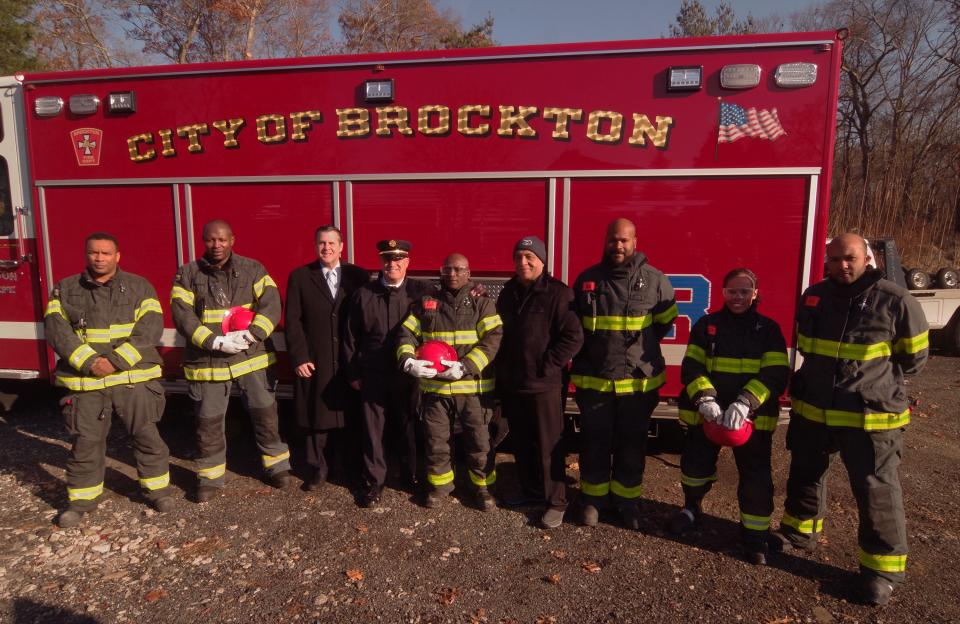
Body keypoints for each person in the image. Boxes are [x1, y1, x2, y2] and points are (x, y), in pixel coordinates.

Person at [775, 233, 929, 606]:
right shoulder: (814, 296)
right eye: (834, 259)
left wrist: (869, 383)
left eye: (850, 258)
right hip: (814, 409)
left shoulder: (895, 299)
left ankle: (882, 571)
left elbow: (914, 359)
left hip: (869, 417)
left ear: (867, 258)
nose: (842, 265)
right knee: (805, 475)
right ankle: (800, 533)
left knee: (876, 491)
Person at [44, 232, 173, 527]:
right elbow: (56, 331)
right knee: (86, 443)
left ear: (118, 256)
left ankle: (158, 490)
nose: (99, 258)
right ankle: (81, 501)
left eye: (105, 253)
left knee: (147, 436)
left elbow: (150, 328)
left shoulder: (139, 287)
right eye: (94, 253)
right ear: (86, 255)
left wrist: (114, 361)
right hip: (86, 382)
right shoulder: (64, 289)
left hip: (132, 377)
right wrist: (90, 362)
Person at [668, 268, 789, 565]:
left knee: (755, 476)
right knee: (695, 468)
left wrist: (746, 403)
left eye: (744, 291)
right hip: (708, 415)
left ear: (755, 293)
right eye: (732, 291)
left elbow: (775, 374)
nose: (738, 297)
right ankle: (691, 508)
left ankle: (755, 535)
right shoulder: (707, 325)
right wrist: (705, 398)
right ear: (722, 293)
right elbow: (692, 367)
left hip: (751, 419)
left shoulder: (768, 329)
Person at [171, 219, 291, 502]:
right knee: (208, 420)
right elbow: (182, 315)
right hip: (209, 359)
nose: (217, 245)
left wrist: (254, 334)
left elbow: (271, 302)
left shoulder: (253, 268)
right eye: (211, 240)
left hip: (252, 356)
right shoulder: (187, 274)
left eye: (222, 240)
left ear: (232, 240)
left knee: (265, 413)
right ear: (203, 240)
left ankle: (276, 465)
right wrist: (213, 341)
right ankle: (210, 477)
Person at [571, 217, 677, 529]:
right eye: (613, 240)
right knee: (594, 443)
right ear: (605, 241)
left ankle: (627, 502)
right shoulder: (587, 280)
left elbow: (663, 324)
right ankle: (593, 500)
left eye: (624, 240)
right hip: (596, 381)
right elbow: (576, 329)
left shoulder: (656, 280)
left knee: (632, 446)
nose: (618, 246)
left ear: (635, 242)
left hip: (638, 383)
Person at [397, 253, 503, 511]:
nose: (452, 275)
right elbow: (406, 333)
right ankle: (440, 486)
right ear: (441, 272)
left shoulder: (482, 303)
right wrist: (408, 360)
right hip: (436, 390)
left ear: (469, 273)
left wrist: (466, 366)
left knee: (479, 442)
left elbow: (493, 338)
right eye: (447, 270)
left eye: (458, 270)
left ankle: (482, 488)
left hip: (473, 390)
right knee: (436, 440)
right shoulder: (426, 302)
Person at [495, 236, 583, 529]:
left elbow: (573, 337)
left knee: (549, 446)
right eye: (518, 257)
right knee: (522, 443)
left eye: (529, 257)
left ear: (542, 261)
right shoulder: (508, 292)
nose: (523, 263)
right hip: (515, 383)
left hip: (545, 385)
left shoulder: (559, 294)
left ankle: (557, 501)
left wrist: (547, 366)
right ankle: (531, 491)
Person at [342, 239, 433, 507]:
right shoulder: (364, 294)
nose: (391, 264)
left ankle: (409, 476)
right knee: (373, 429)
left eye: (398, 259)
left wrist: (476, 292)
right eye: (387, 259)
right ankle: (374, 482)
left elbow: (451, 305)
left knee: (408, 425)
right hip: (373, 373)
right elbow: (349, 338)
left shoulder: (422, 291)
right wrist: (352, 373)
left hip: (408, 374)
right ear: (381, 262)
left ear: (407, 262)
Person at [284, 225, 369, 491]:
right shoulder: (300, 277)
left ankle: (345, 468)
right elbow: (293, 322)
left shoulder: (359, 276)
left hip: (348, 361)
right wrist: (299, 357)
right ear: (315, 245)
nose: (327, 248)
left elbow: (370, 316)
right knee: (316, 419)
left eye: (332, 243)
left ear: (342, 247)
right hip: (315, 360)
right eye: (322, 243)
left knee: (348, 418)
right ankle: (317, 470)